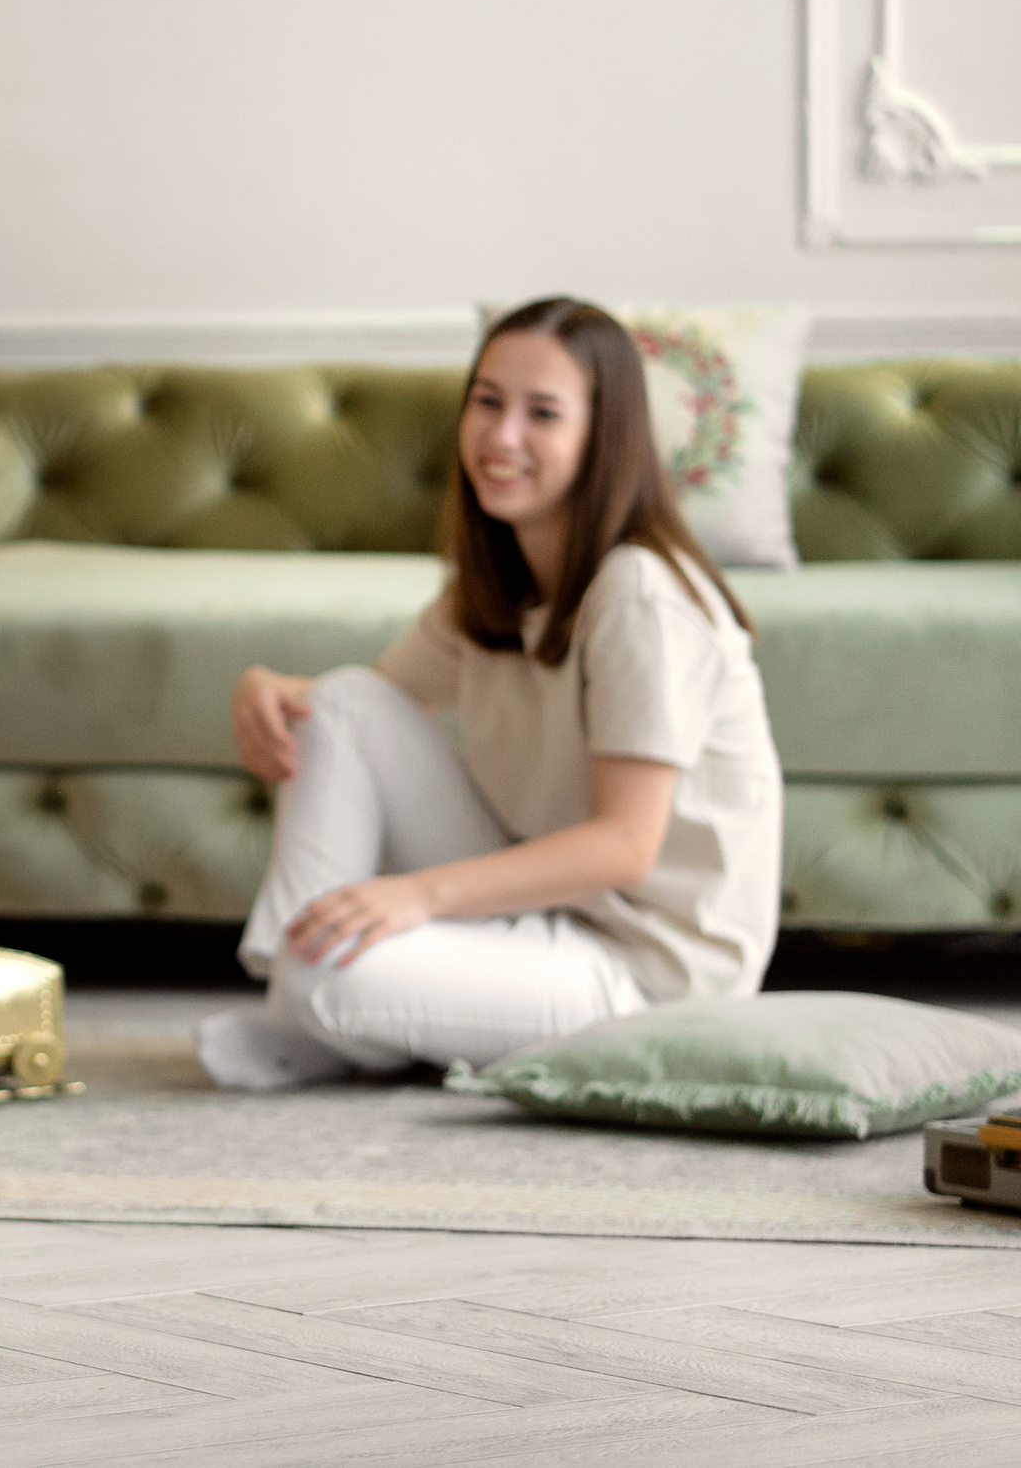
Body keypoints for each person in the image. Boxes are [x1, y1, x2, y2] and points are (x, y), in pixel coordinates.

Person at [198, 297, 783, 1090]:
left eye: (542, 413)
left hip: (644, 972)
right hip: (549, 912)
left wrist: (418, 897)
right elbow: (361, 712)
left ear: (600, 436)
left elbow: (624, 845)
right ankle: (301, 991)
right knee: (335, 702)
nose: (502, 437)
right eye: (488, 402)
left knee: (331, 980)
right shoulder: (495, 581)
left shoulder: (640, 595)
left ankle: (303, 1000)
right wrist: (261, 687)